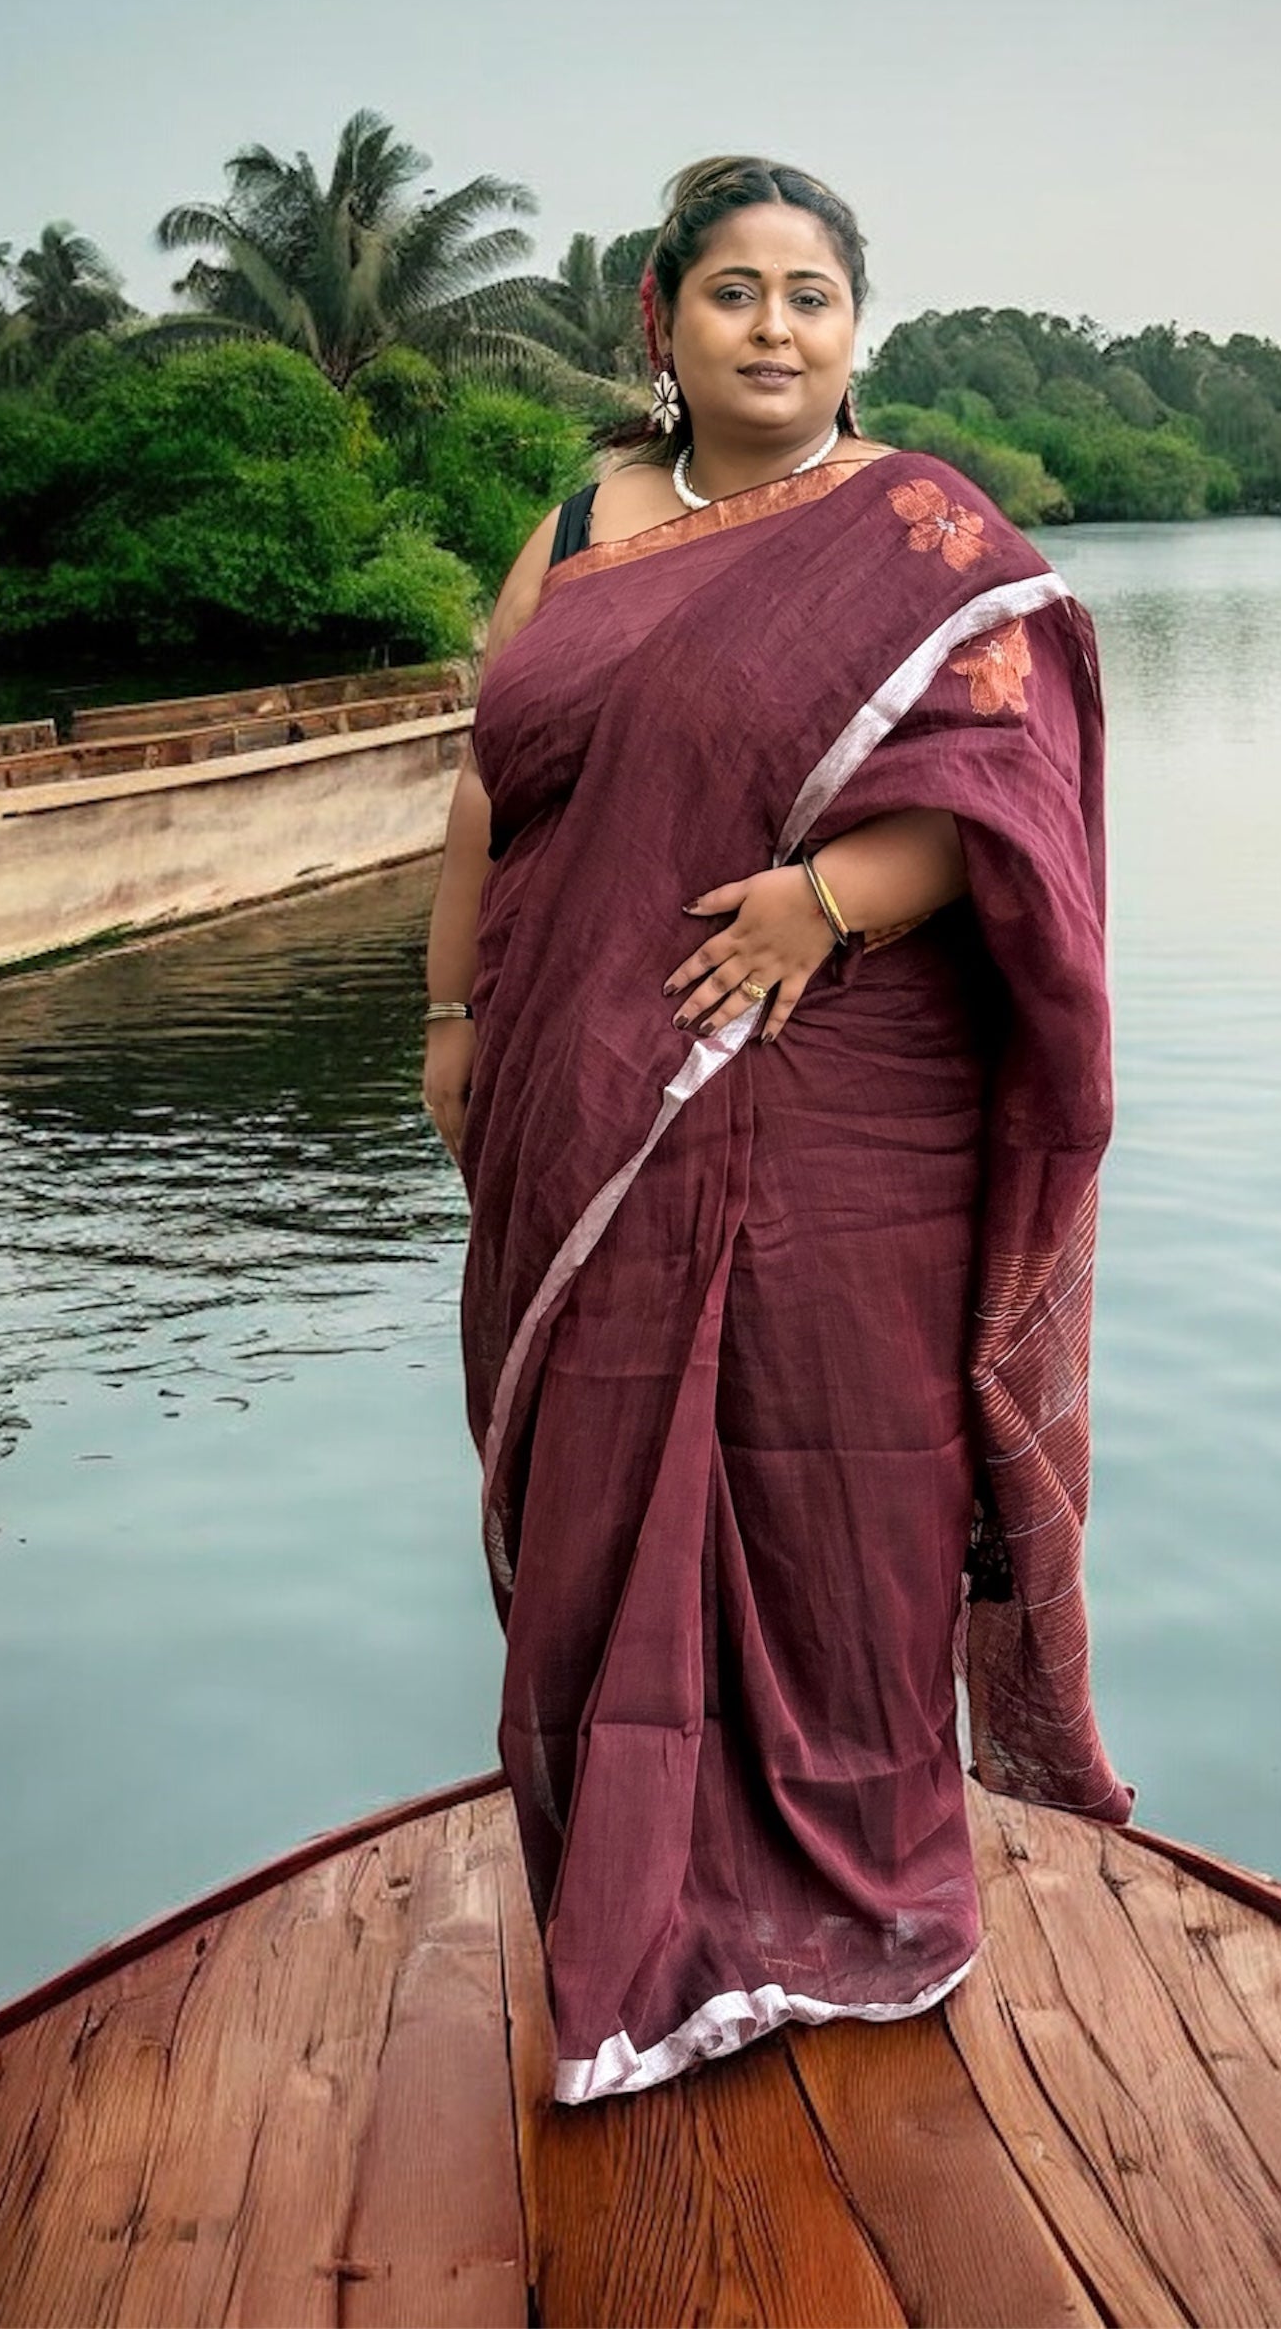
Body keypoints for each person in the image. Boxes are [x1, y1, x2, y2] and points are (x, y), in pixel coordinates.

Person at [422, 156, 1134, 2106]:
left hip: (838, 1110)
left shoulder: (923, 534)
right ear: (658, 319)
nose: (773, 327)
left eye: (810, 294)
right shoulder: (581, 524)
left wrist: (824, 902)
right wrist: (453, 1012)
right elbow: (489, 789)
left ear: (853, 326)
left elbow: (1011, 798)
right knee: (599, 1481)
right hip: (580, 1080)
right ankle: (634, 1918)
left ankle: (857, 1906)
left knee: (842, 1483)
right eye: (733, 290)